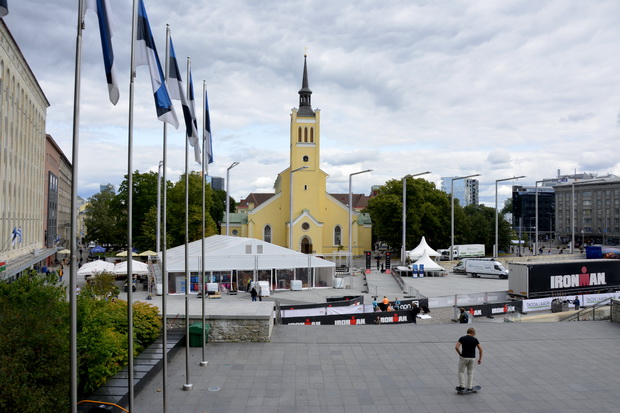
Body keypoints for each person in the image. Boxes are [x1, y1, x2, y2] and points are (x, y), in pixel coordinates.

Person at [455, 327, 483, 392]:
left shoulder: (462, 338)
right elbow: (480, 349)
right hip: (472, 358)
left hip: (464, 357)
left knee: (461, 371)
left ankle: (462, 386)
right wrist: (480, 359)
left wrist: (460, 353)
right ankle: (469, 387)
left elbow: (456, 347)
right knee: (470, 372)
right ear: (473, 333)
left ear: (467, 332)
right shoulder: (475, 340)